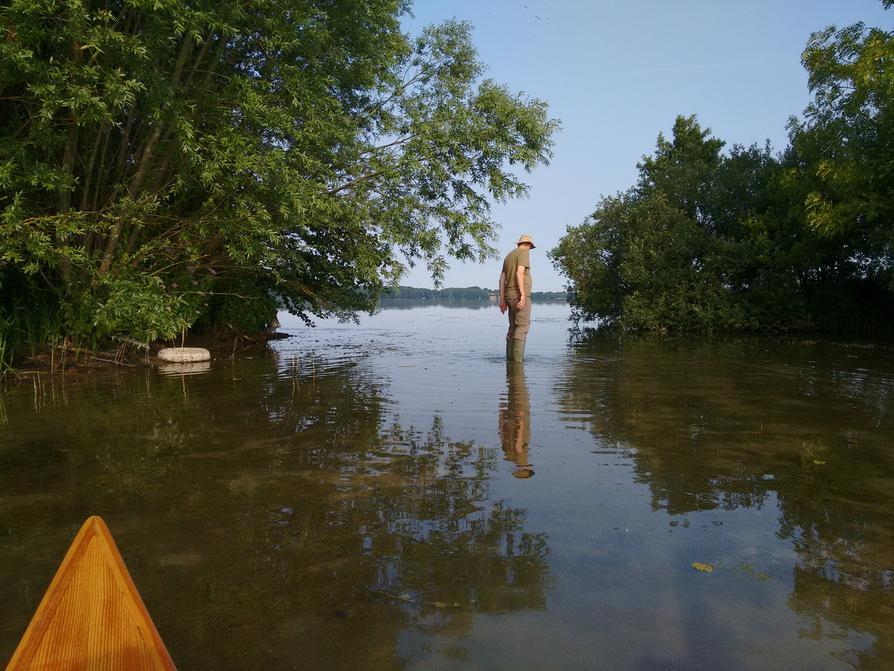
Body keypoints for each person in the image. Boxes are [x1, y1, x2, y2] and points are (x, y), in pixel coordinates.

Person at [499, 234, 535, 361]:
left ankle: (509, 362)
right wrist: (523, 295)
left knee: (513, 327)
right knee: (522, 327)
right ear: (529, 245)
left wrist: (502, 300)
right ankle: (517, 364)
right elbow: (519, 273)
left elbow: (502, 278)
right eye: (530, 247)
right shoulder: (524, 253)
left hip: (508, 295)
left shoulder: (509, 256)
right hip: (518, 295)